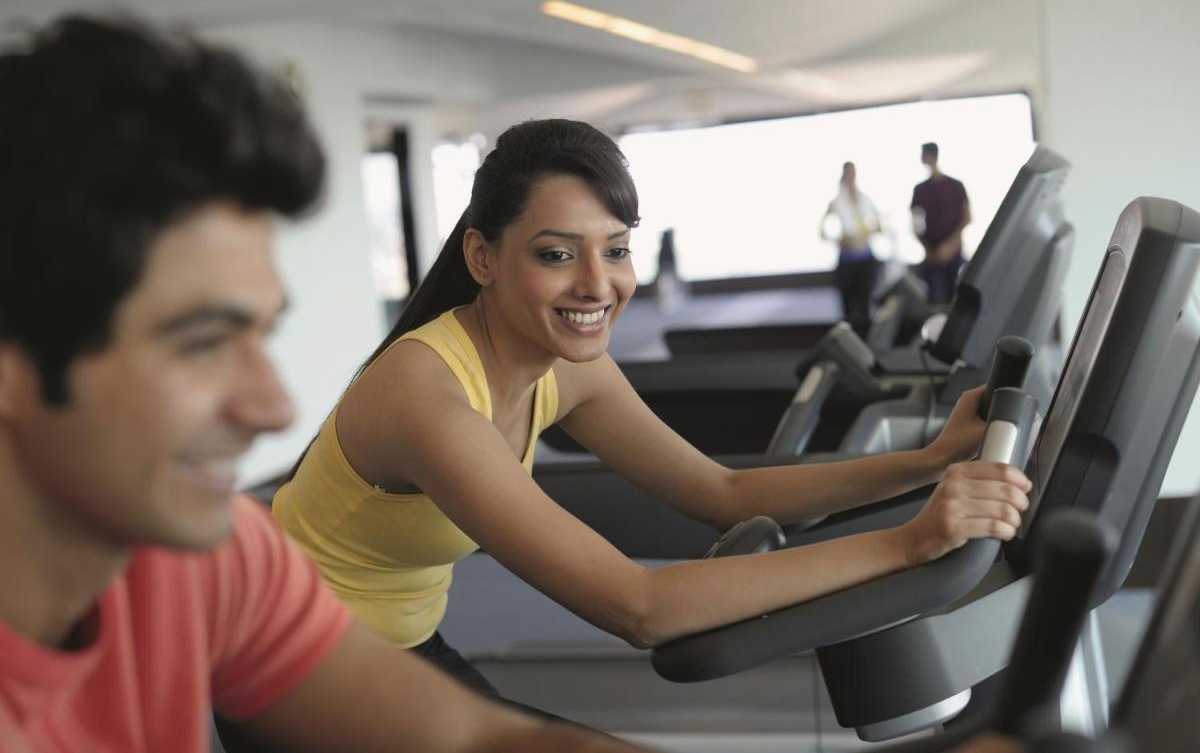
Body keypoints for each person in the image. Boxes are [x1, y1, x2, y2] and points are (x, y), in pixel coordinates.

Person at [0, 14, 697, 753]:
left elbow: (479, 743)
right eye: (201, 343)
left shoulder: (216, 556)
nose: (275, 409)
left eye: (261, 336)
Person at [274, 118, 1031, 709]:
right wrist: (910, 544)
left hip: (397, 646)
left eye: (617, 249)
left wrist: (932, 459)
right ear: (482, 258)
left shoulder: (568, 372)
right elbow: (641, 607)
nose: (598, 285)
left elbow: (720, 494)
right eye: (556, 255)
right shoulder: (425, 397)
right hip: (296, 670)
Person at [822, 161, 883, 333]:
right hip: (847, 259)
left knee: (865, 303)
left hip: (865, 257)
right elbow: (824, 230)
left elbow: (878, 225)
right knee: (848, 306)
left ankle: (865, 340)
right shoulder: (836, 202)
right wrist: (839, 240)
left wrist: (868, 232)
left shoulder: (865, 199)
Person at [910, 142, 971, 304]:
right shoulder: (920, 190)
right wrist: (929, 249)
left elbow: (966, 218)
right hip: (932, 255)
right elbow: (916, 225)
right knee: (933, 302)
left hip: (953, 253)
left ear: (929, 156)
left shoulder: (955, 186)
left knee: (957, 300)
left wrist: (948, 246)